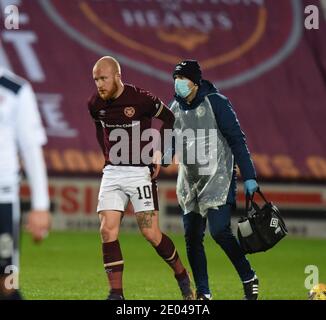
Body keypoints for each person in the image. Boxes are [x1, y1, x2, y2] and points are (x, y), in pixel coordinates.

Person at [88, 56, 194, 300]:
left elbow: (169, 118)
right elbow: (98, 127)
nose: (99, 84)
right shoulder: (95, 103)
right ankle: (116, 294)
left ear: (117, 76)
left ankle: (181, 275)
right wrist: (106, 155)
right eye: (96, 79)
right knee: (107, 230)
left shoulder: (140, 99)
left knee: (150, 233)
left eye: (103, 78)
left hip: (140, 174)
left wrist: (157, 151)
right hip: (113, 173)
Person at [169, 60, 259, 300]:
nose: (178, 84)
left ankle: (248, 276)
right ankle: (204, 293)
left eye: (183, 79)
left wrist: (250, 176)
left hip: (218, 178)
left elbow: (237, 140)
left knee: (219, 231)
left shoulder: (217, 103)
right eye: (176, 79)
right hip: (190, 181)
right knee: (192, 238)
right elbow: (170, 139)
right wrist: (163, 156)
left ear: (196, 82)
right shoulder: (175, 108)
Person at [0, 68, 51, 300]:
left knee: (6, 283)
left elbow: (31, 149)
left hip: (3, 199)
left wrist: (40, 205)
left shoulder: (14, 89)